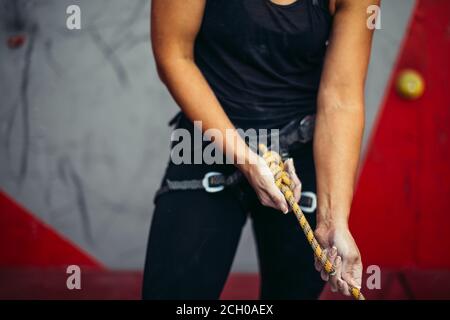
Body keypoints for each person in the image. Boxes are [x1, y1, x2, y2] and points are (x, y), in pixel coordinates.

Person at [143, 0, 378, 299]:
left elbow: (341, 97)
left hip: (298, 158)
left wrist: (334, 222)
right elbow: (174, 56)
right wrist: (244, 157)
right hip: (207, 145)